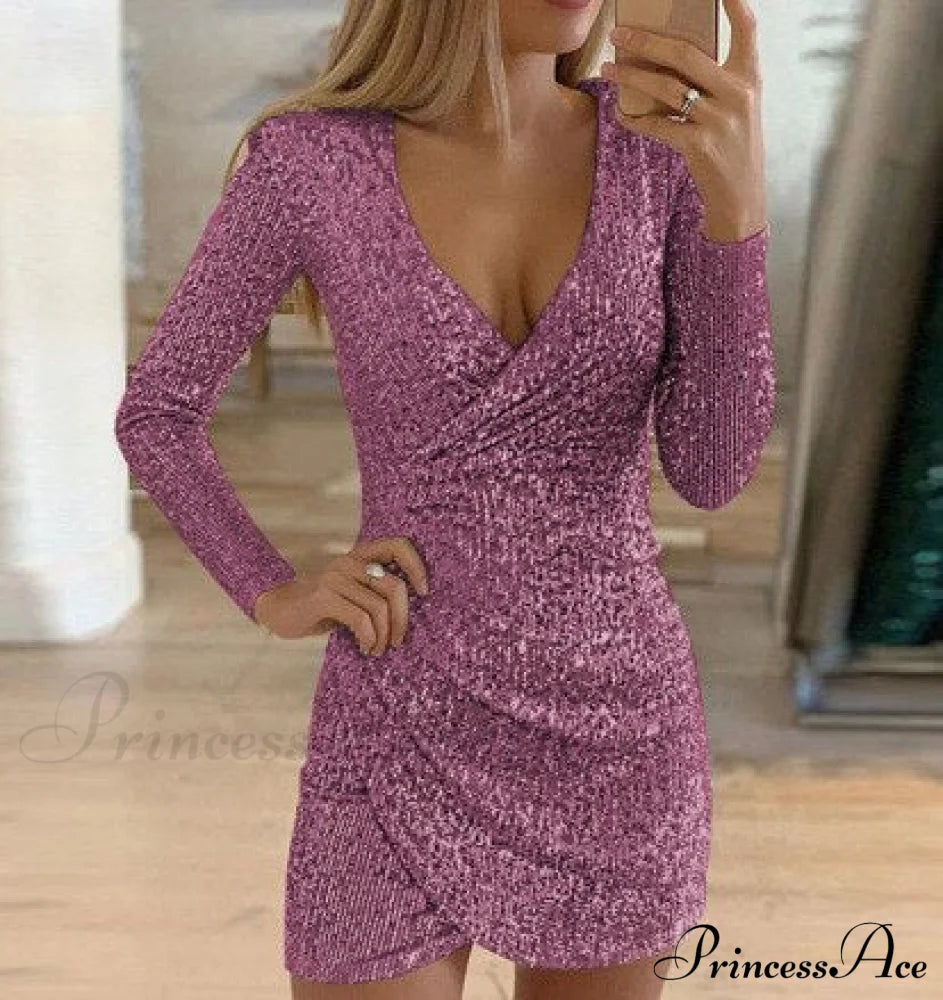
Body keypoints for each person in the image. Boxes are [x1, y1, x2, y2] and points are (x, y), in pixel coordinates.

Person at [114, 0, 775, 997]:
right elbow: (160, 411)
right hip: (397, 704)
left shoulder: (659, 156)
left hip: (618, 721)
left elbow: (712, 470)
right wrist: (271, 587)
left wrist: (737, 210)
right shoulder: (311, 162)